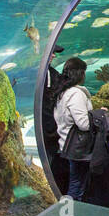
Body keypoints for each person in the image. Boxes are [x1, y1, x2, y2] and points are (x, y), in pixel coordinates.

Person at [53, 57, 108, 203]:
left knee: (76, 182)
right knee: (76, 185)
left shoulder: (62, 92)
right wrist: (98, 115)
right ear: (80, 73)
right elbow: (83, 124)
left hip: (67, 144)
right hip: (76, 148)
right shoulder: (76, 94)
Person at [41, 45, 68, 195]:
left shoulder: (52, 73)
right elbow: (45, 105)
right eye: (51, 53)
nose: (53, 56)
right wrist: (51, 130)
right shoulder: (43, 75)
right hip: (47, 130)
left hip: (52, 130)